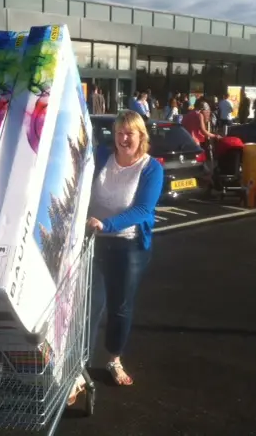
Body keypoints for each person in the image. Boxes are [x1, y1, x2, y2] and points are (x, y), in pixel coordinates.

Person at [67, 110, 163, 405]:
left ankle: (113, 358)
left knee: (120, 307)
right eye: (119, 132)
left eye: (129, 133)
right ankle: (77, 368)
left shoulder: (151, 169)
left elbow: (143, 210)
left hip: (128, 246)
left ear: (141, 136)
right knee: (90, 306)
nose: (123, 138)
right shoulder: (100, 157)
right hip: (94, 244)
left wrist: (105, 224)